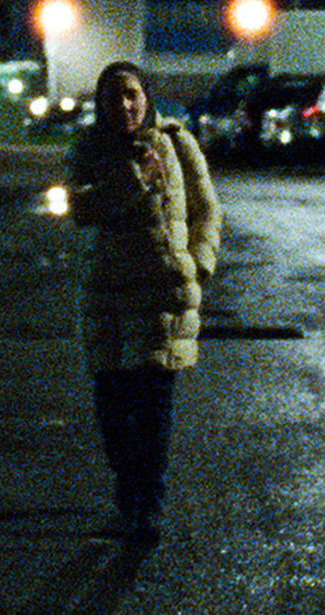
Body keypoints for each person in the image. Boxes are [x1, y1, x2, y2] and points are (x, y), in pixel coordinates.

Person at [65, 60, 221, 542]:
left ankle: (146, 506)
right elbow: (81, 208)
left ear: (146, 97)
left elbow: (206, 208)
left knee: (153, 408)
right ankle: (128, 493)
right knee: (112, 412)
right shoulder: (87, 149)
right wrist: (134, 179)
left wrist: (199, 261)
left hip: (161, 297)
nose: (125, 105)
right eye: (114, 97)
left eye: (132, 94)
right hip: (107, 300)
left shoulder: (177, 143)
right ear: (102, 103)